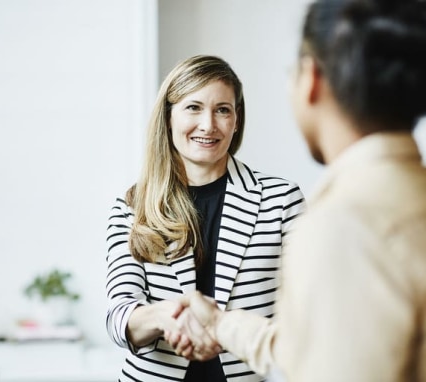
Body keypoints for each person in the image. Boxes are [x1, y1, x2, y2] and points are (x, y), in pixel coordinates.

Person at [174, 0, 426, 381]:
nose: (209, 123)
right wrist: (223, 324)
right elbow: (309, 349)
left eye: (223, 109)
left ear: (310, 79)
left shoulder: (343, 224)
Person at [105, 54, 305, 381]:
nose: (208, 125)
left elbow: (304, 314)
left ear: (236, 120)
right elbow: (119, 316)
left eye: (222, 110)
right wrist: (168, 316)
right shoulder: (132, 205)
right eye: (193, 107)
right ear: (168, 117)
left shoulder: (281, 200)